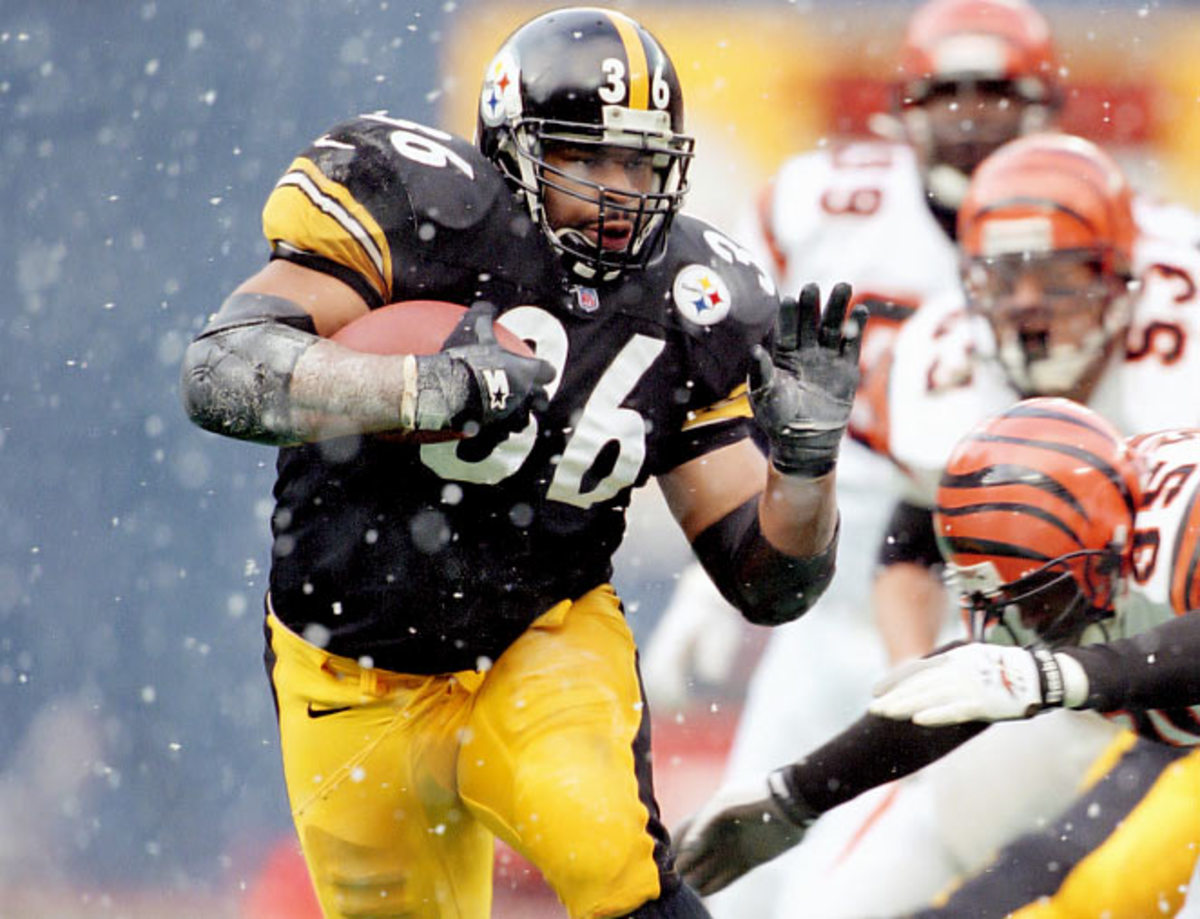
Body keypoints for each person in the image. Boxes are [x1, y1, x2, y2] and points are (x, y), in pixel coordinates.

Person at [179, 7, 865, 919]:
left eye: (642, 162)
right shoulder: (419, 210)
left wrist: (807, 467)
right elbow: (221, 370)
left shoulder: (693, 297)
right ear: (512, 145)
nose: (623, 191)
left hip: (539, 639)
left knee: (613, 861)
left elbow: (768, 579)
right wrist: (420, 390)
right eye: (590, 157)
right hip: (346, 668)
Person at [640, 1, 1067, 914]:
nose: (968, 115)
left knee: (969, 877)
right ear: (900, 103)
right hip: (832, 594)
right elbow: (722, 380)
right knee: (746, 878)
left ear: (1042, 104)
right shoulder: (825, 207)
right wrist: (714, 564)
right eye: (945, 91)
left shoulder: (1088, 223)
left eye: (993, 91)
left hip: (1009, 611)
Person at [676, 396, 1200, 916]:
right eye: (1010, 602)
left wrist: (1057, 675)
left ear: (1107, 551)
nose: (1028, 624)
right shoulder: (1072, 557)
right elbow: (965, 692)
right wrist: (797, 795)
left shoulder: (1182, 529)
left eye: (1039, 597)